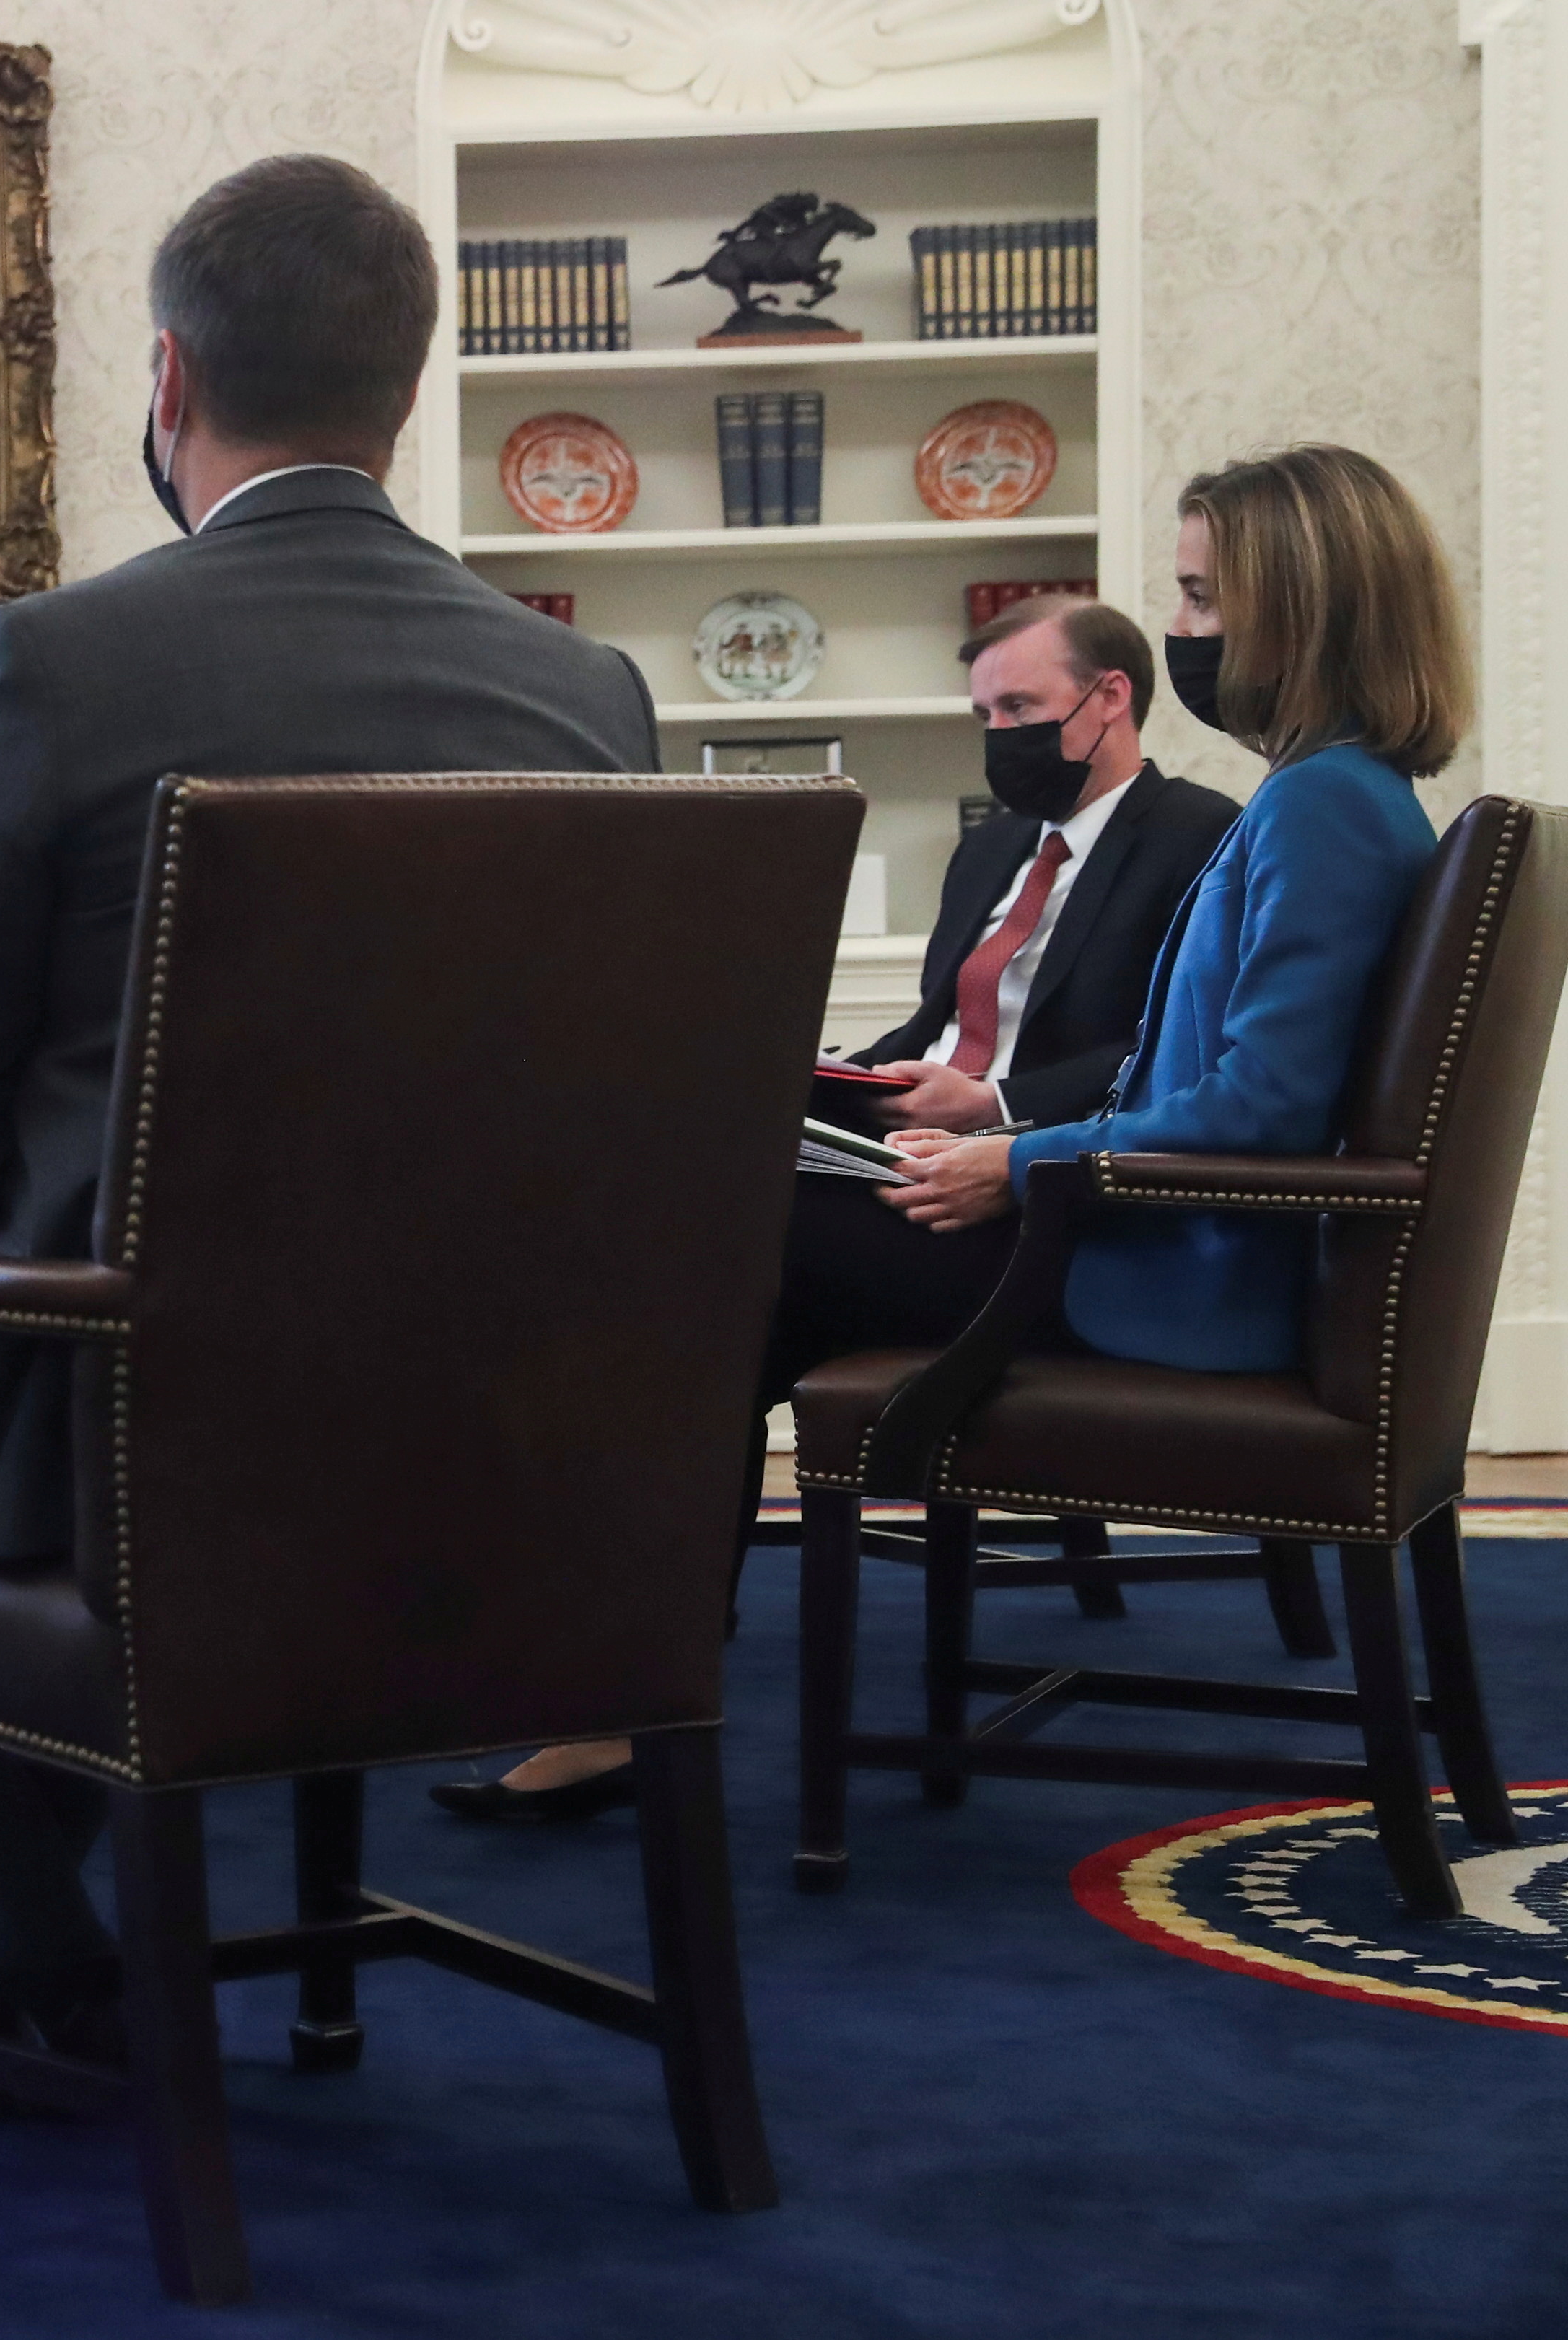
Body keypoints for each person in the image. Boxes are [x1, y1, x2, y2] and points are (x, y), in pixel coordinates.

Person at [0, 154, 661, 2083]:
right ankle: (45, 1934)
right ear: (410, 392)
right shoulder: (586, 692)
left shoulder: (62, 661)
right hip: (508, 1457)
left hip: (130, 1418)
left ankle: (35, 1965)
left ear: (170, 380)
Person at [446, 443, 1467, 1823]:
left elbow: (1257, 1108)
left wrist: (1010, 1160)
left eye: (1202, 601)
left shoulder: (1318, 805)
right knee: (736, 1245)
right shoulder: (1343, 794)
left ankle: (600, 1675)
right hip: (1158, 1242)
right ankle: (612, 1672)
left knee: (709, 1251)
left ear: (1306, 604)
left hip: (1166, 1276)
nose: (1181, 635)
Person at [836, 597, 1241, 1136]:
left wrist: (998, 1104)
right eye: (985, 715)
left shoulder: (1200, 834)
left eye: (1018, 707)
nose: (998, 733)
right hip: (910, 1135)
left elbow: (1178, 1048)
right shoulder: (987, 847)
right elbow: (935, 1024)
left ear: (1111, 696)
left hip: (1040, 1152)